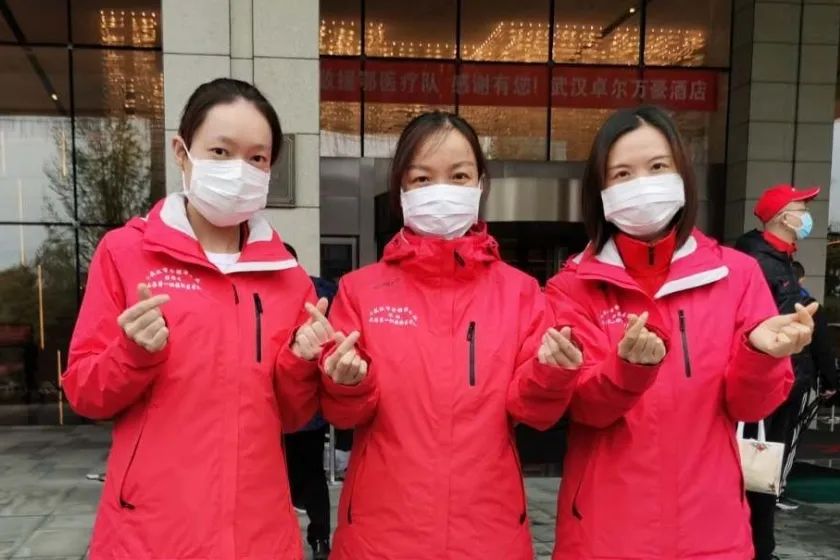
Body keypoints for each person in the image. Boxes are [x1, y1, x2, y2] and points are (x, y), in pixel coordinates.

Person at [62, 78, 329, 560]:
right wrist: (132, 354)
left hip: (258, 533)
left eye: (256, 158)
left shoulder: (289, 278)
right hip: (150, 532)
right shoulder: (125, 253)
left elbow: (292, 417)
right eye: (220, 151)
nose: (239, 170)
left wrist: (299, 360)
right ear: (182, 153)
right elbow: (84, 392)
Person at [305, 111, 583, 559]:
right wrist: (347, 381)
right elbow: (341, 413)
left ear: (480, 185)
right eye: (422, 178)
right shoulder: (360, 291)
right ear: (401, 190)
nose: (442, 190)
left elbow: (535, 414)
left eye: (459, 176)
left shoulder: (520, 293)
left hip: (489, 532)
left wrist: (553, 374)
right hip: (381, 534)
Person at [546, 106, 815, 560]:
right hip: (603, 533)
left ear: (682, 175)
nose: (642, 184)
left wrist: (762, 355)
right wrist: (626, 371)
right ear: (601, 191)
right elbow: (582, 408)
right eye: (622, 174)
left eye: (657, 167)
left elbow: (752, 407)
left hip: (711, 531)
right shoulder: (572, 287)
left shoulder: (737, 275)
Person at [736, 191, 837, 552]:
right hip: (769, 382)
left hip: (784, 381)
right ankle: (756, 547)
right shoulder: (761, 263)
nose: (806, 216)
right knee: (758, 468)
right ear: (781, 216)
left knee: (763, 469)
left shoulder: (778, 260)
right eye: (800, 209)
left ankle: (758, 544)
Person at [282, 242, 335, 560]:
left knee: (307, 476)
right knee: (304, 476)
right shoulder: (318, 288)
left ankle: (318, 539)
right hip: (284, 408)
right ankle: (317, 539)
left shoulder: (317, 291)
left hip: (304, 410)